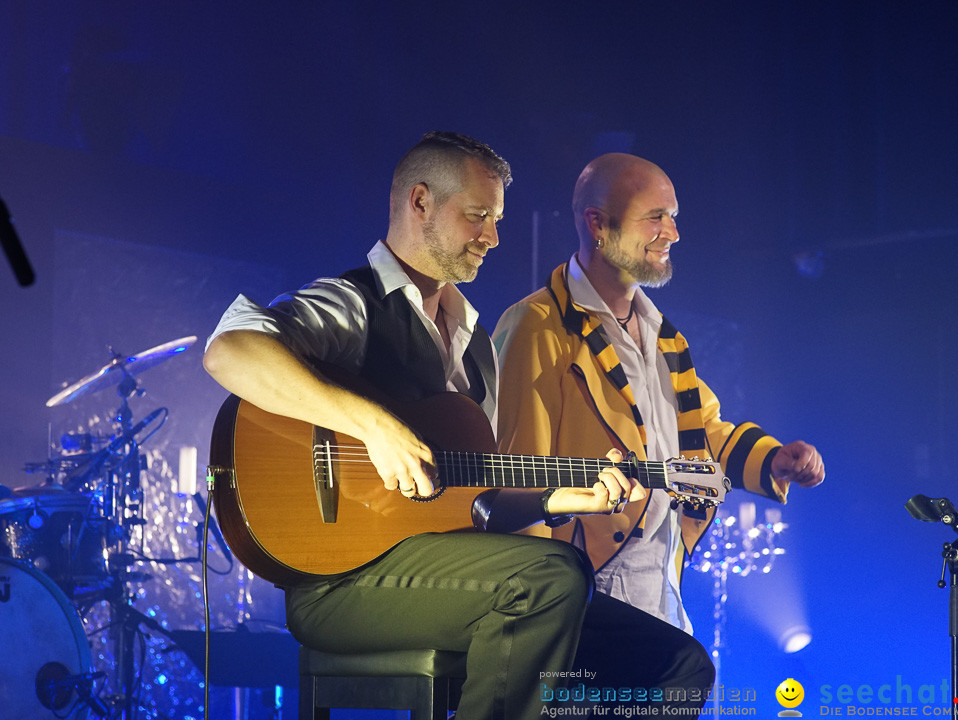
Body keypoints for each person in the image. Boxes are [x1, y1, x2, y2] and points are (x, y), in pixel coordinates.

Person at [202, 132, 641, 720]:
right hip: (339, 582)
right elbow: (228, 351)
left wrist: (561, 498)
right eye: (478, 216)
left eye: (497, 219)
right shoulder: (354, 301)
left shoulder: (476, 345)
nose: (493, 236)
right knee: (549, 580)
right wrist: (374, 426)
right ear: (420, 203)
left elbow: (463, 496)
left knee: (670, 659)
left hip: (441, 569)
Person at [488, 152, 826, 708]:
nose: (672, 232)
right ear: (598, 225)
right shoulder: (537, 325)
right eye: (656, 217)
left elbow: (699, 437)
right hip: (582, 591)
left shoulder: (663, 335)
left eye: (672, 216)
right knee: (681, 672)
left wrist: (771, 460)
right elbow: (515, 472)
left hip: (659, 585)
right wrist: (533, 621)